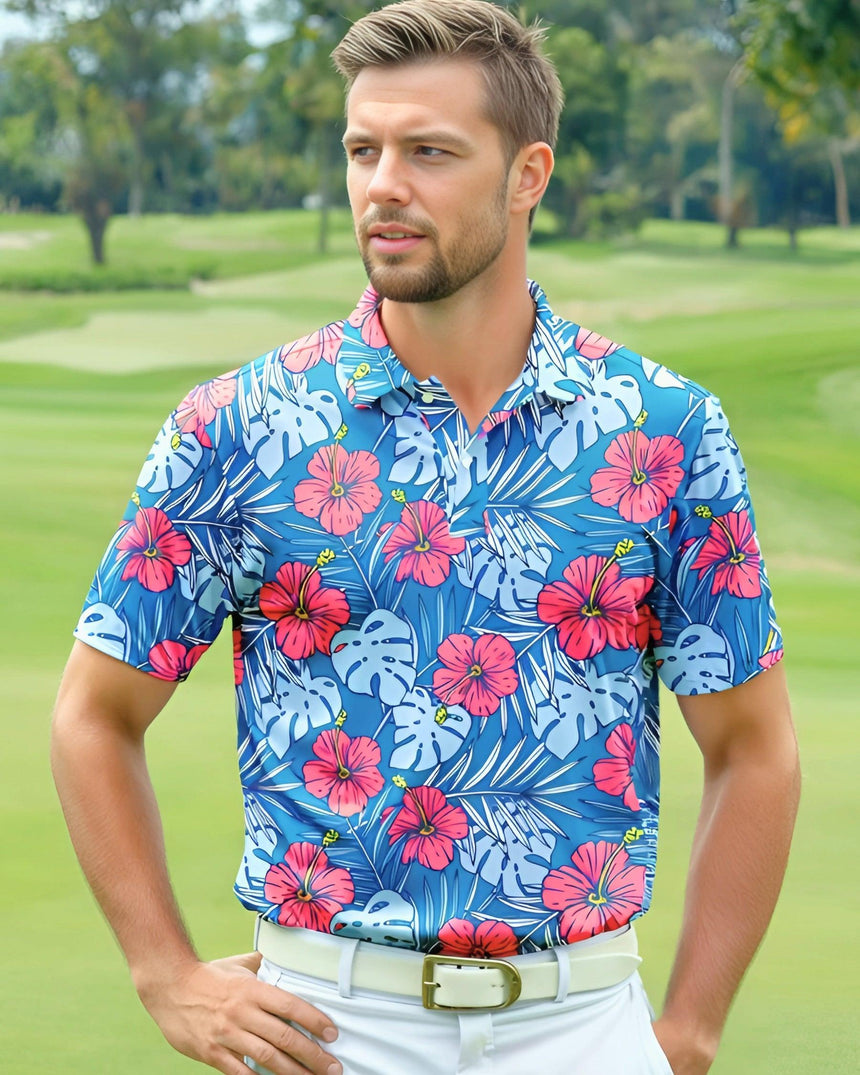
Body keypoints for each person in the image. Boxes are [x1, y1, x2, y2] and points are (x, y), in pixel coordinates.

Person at [52, 2, 800, 1074]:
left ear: (526, 173)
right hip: (322, 1027)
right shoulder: (240, 426)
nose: (382, 184)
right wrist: (163, 972)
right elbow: (93, 713)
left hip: (581, 1022)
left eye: (428, 152)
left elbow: (753, 748)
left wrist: (685, 1030)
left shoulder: (662, 431)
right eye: (363, 149)